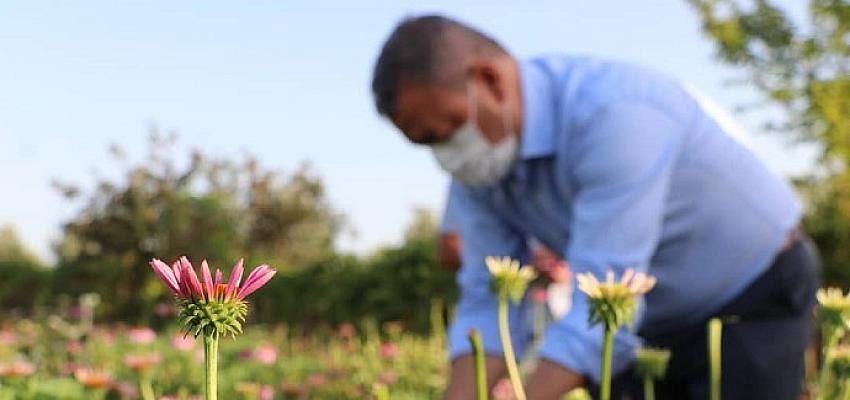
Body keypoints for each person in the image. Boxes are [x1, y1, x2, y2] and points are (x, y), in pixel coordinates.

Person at [370, 15, 819, 400]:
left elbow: (602, 294)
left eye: (446, 130)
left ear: (488, 79)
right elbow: (489, 300)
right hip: (643, 324)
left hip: (750, 296)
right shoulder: (482, 170)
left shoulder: (615, 113)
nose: (446, 155)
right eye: (425, 143)